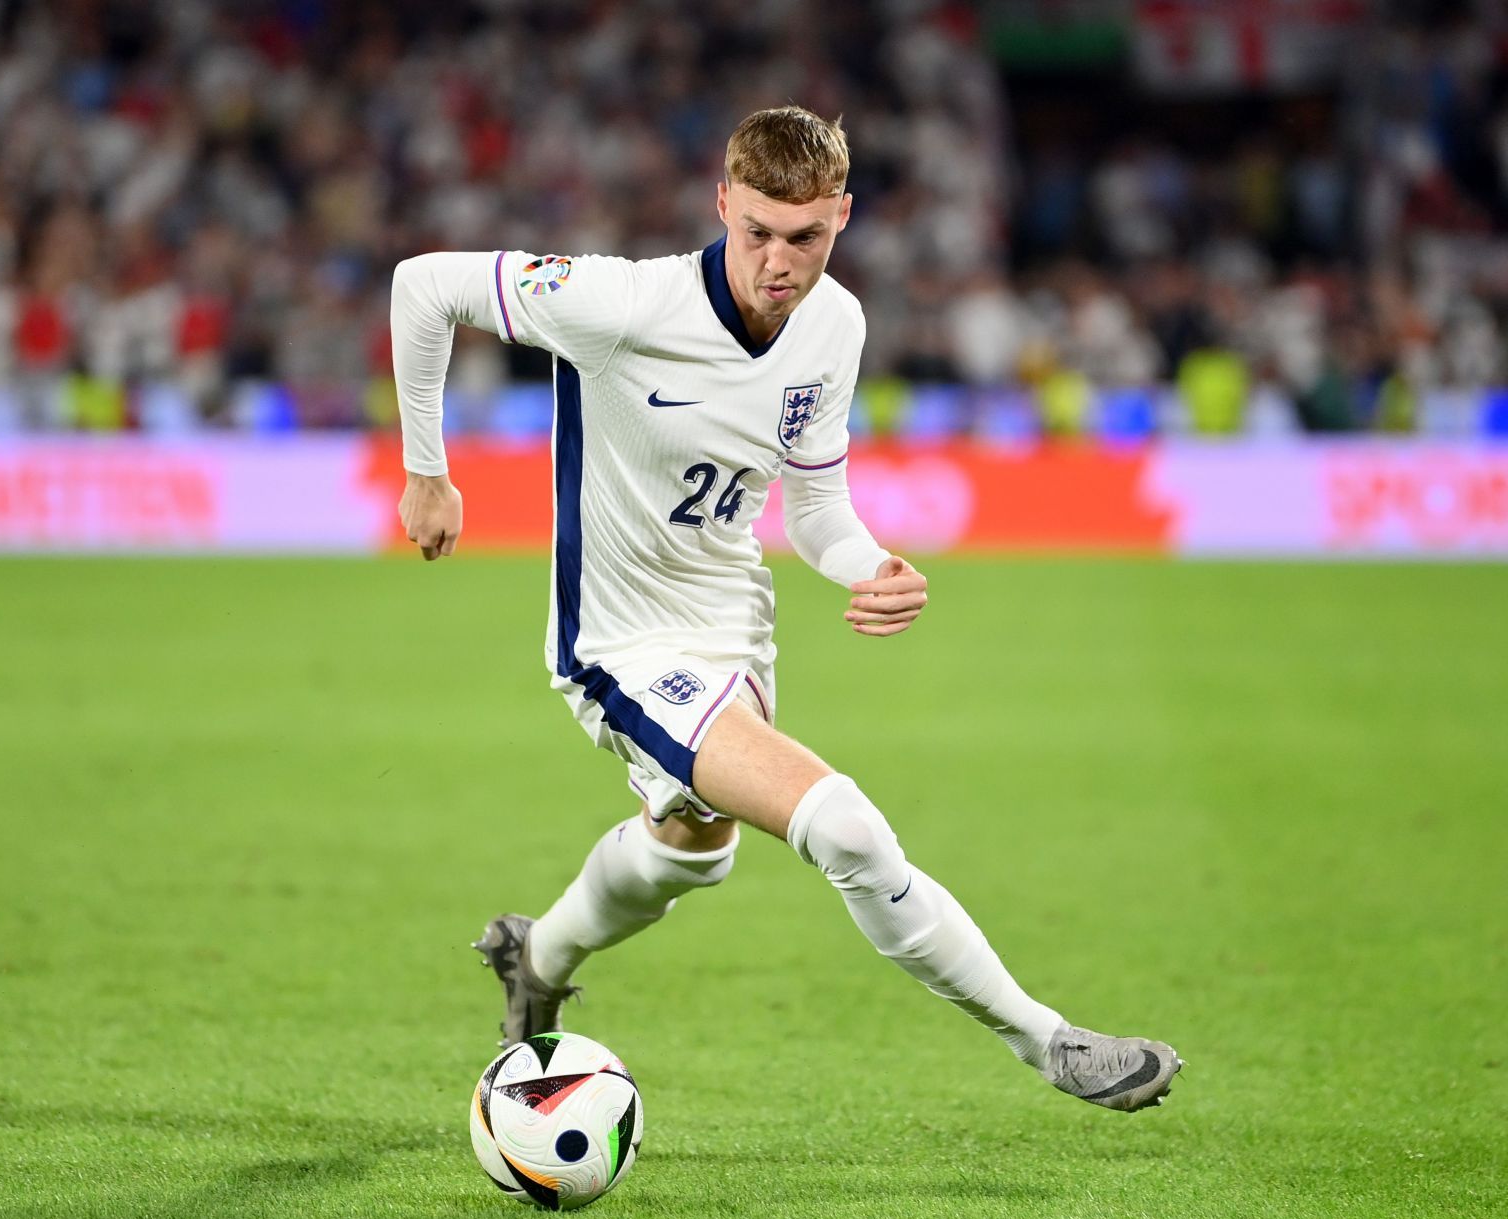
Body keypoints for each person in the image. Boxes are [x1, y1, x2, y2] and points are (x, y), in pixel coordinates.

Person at [392, 107, 1182, 1112]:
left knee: (693, 852)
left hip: (736, 630)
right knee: (844, 829)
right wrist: (428, 471)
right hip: (621, 645)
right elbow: (423, 287)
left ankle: (536, 958)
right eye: (756, 229)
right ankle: (1052, 1042)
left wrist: (868, 564)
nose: (776, 259)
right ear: (723, 202)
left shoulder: (835, 326)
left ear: (841, 218)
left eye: (803, 237)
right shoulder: (619, 301)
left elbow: (814, 510)